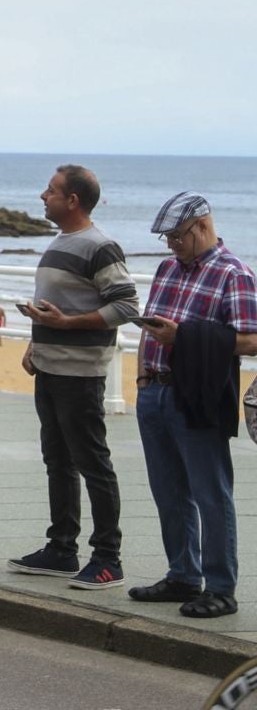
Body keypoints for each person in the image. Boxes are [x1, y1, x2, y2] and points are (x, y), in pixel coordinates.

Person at [6, 164, 138, 590]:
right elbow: (57, 304)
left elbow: (126, 306)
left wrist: (67, 325)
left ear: (73, 201)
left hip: (80, 375)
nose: (43, 197)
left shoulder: (101, 246)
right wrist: (37, 341)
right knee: (58, 461)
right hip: (50, 366)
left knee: (92, 462)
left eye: (51, 191)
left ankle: (107, 558)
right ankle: (62, 548)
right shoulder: (62, 242)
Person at [128, 192, 257, 619]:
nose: (170, 244)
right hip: (154, 390)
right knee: (168, 491)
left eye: (176, 236)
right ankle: (183, 574)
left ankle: (221, 588)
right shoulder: (168, 268)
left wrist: (181, 337)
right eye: (166, 237)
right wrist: (143, 379)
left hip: (196, 394)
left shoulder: (234, 273)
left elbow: (252, 339)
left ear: (202, 225)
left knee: (210, 493)